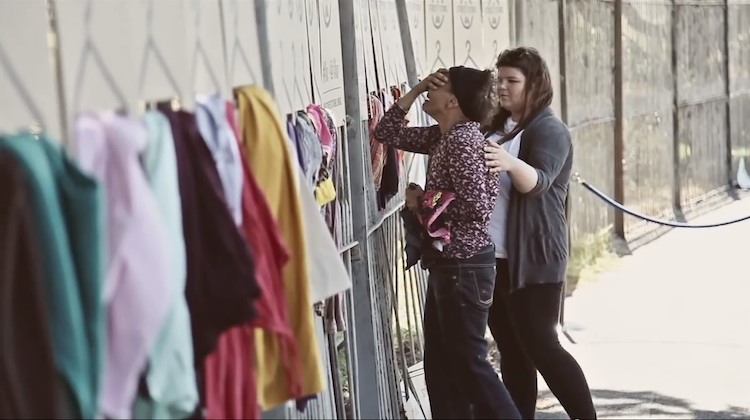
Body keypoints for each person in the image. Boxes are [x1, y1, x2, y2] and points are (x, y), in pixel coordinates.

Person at [374, 66, 521, 419]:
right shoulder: (444, 136)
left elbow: (477, 206)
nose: (430, 91)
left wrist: (421, 201)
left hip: (465, 265)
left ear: (452, 101)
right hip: (450, 264)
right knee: (440, 365)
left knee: (470, 364)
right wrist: (417, 88)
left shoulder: (462, 141)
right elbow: (386, 131)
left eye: (437, 87)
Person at [482, 47, 597, 420]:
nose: (502, 87)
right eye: (499, 79)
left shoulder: (550, 129)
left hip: (535, 260)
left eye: (512, 81)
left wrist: (510, 161)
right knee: (511, 350)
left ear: (535, 85)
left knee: (542, 346)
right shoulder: (494, 127)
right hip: (492, 258)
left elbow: (540, 181)